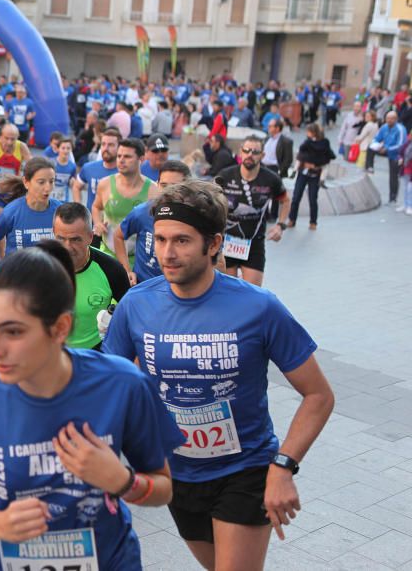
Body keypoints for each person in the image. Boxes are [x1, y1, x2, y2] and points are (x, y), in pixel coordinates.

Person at [103, 179, 335, 570]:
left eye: (181, 241)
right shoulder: (136, 305)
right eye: (160, 240)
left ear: (213, 244)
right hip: (177, 475)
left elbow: (319, 395)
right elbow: (110, 386)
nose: (167, 253)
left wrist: (283, 466)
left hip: (244, 469)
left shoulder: (258, 307)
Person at [0, 241, 182, 571]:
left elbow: (164, 488)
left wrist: (123, 482)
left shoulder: (122, 383)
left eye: (12, 331)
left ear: (60, 328)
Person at [52, 203, 130, 350]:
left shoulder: (111, 269)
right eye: (61, 239)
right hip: (52, 354)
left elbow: (131, 315)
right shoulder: (40, 267)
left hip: (95, 354)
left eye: (75, 239)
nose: (67, 247)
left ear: (90, 237)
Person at [215, 134, 289, 287]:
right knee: (227, 292)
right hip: (226, 241)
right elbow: (211, 200)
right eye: (247, 150)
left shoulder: (271, 179)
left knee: (253, 294)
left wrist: (280, 225)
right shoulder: (225, 176)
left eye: (255, 152)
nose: (250, 155)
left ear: (262, 155)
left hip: (254, 243)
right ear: (241, 152)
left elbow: (286, 200)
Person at [115, 160, 191, 285]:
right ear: (157, 184)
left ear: (187, 188)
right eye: (164, 185)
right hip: (144, 288)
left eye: (175, 186)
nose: (169, 192)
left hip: (182, 290)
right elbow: (118, 236)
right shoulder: (143, 212)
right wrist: (127, 270)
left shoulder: (196, 218)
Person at [0, 157, 61, 268]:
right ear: (26, 182)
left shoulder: (60, 211)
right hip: (17, 279)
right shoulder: (12, 212)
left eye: (51, 181)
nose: (48, 188)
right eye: (41, 182)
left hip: (50, 278)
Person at [93, 138, 155, 263]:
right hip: (107, 254)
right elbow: (96, 207)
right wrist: (98, 222)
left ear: (141, 159)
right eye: (119, 156)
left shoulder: (153, 190)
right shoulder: (105, 184)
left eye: (127, 156)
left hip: (138, 259)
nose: (121, 160)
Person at [0, 122, 33, 224]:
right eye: (6, 138)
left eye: (13, 139)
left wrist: (21, 177)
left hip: (13, 191)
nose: (9, 142)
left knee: (14, 223)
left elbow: (32, 167)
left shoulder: (22, 147)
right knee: (2, 222)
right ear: (0, 136)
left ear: (17, 138)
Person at [287, 123, 335, 230]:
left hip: (315, 175)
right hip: (303, 173)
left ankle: (313, 222)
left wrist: (315, 165)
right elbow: (301, 155)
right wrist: (299, 167)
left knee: (313, 199)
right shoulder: (307, 143)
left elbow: (326, 158)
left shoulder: (324, 143)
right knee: (296, 197)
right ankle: (292, 219)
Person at [77, 127, 120, 212]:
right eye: (103, 144)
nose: (106, 148)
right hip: (91, 222)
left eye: (110, 145)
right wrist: (79, 208)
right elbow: (76, 186)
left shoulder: (126, 172)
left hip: (115, 223)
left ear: (119, 148)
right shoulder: (88, 167)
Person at [371, 110, 409, 205]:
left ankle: (394, 198)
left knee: (394, 177)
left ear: (396, 119)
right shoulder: (384, 127)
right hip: (387, 152)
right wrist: (376, 144)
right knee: (369, 148)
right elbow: (376, 138)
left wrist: (386, 149)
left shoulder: (400, 129)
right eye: (387, 118)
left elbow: (401, 145)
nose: (389, 120)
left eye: (392, 118)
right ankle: (369, 167)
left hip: (398, 155)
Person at [51, 136, 80, 202]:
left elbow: (73, 184)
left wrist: (72, 182)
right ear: (58, 149)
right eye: (63, 148)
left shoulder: (72, 166)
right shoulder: (51, 163)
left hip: (63, 200)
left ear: (71, 150)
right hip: (49, 198)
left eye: (68, 148)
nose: (66, 151)